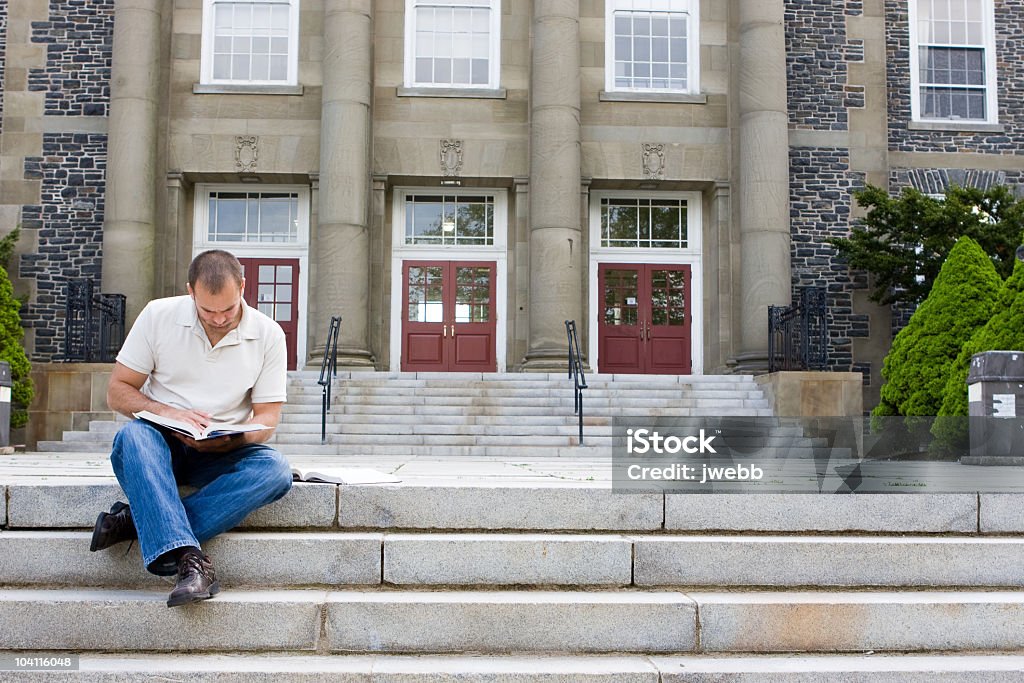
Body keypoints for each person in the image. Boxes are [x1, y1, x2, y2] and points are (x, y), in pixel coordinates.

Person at [89, 249, 292, 607]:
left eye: (227, 309)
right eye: (207, 310)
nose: (218, 318)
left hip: (222, 448)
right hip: (159, 446)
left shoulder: (268, 334)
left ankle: (138, 522)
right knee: (132, 436)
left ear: (243, 287)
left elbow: (267, 419)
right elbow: (118, 392)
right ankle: (190, 561)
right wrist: (168, 411)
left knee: (275, 470)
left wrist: (236, 437)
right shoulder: (158, 315)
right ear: (190, 291)